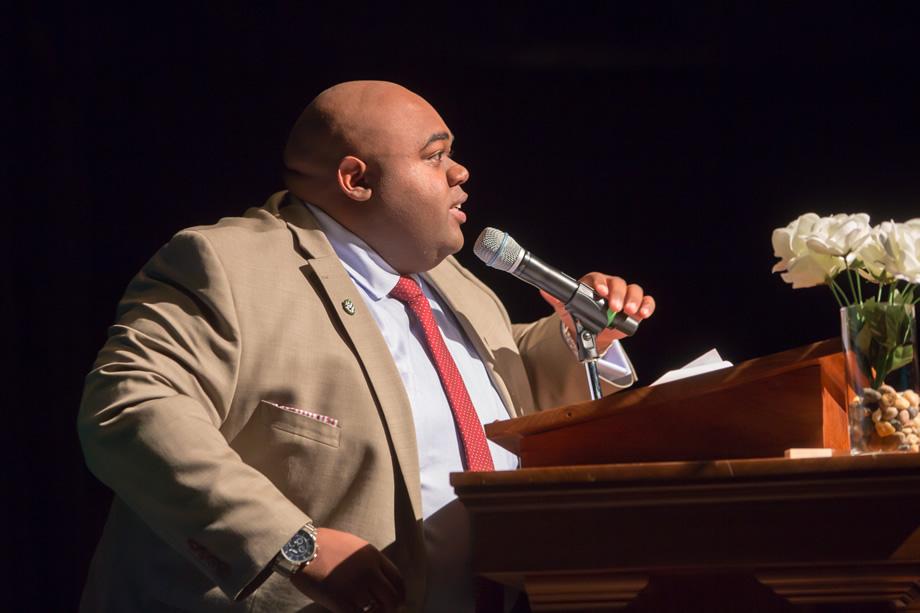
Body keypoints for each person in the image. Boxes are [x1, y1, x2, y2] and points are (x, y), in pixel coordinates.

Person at [78, 81, 655, 613]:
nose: (461, 172)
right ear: (356, 179)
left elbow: (502, 379)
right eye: (434, 155)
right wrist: (291, 543)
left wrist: (577, 338)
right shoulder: (227, 265)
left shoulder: (455, 283)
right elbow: (132, 411)